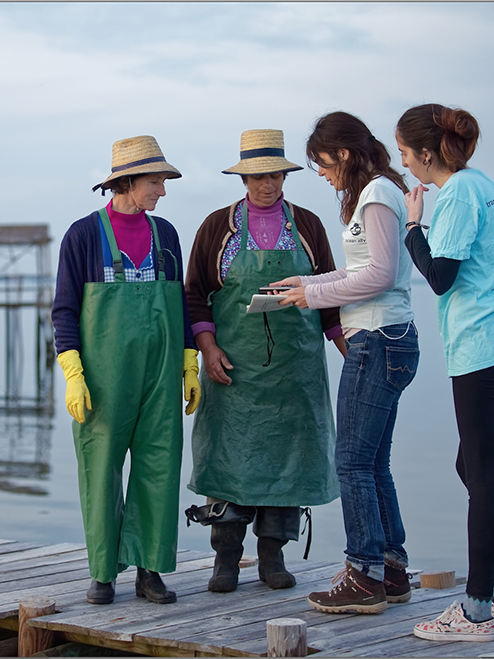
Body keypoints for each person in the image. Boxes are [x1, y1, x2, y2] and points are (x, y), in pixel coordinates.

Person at [395, 104, 494, 642]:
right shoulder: (486, 185)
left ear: (426, 152)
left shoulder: (457, 193)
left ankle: (476, 610)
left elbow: (440, 276)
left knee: (483, 475)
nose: (403, 162)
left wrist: (413, 225)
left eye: (405, 152)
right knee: (475, 466)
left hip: (485, 346)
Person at [268, 112, 419, 614]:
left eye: (324, 164)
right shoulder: (383, 191)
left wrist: (312, 296)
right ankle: (390, 570)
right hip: (390, 337)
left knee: (352, 462)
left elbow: (380, 275)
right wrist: (306, 284)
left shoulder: (375, 195)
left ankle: (363, 574)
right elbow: (363, 270)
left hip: (376, 339)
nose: (323, 174)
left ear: (345, 154)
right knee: (373, 462)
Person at [184, 129, 343, 593]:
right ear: (244, 179)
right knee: (229, 461)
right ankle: (226, 560)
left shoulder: (308, 225)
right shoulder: (217, 227)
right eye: (257, 176)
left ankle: (273, 556)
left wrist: (348, 350)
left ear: (285, 176)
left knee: (289, 462)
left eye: (274, 175)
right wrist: (207, 349)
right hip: (233, 371)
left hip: (297, 373)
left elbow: (330, 294)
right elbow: (195, 294)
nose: (267, 184)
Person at [51, 135, 201, 606]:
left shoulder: (167, 236)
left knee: (160, 466)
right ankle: (102, 572)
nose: (162, 190)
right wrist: (74, 373)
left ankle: (149, 570)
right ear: (128, 181)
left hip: (160, 376)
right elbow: (64, 310)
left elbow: (180, 304)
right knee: (100, 469)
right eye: (156, 181)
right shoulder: (82, 235)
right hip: (103, 379)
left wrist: (189, 363)